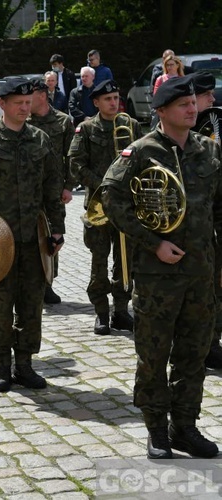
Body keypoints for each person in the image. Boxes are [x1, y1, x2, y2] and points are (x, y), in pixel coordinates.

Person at [101, 76, 222, 459]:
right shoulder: (140, 152)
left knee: (194, 353)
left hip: (201, 273)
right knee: (153, 353)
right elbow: (111, 199)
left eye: (193, 103)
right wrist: (154, 243)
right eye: (183, 104)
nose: (193, 108)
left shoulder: (209, 151)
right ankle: (156, 429)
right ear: (162, 111)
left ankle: (185, 426)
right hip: (157, 276)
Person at [0, 78, 65, 392]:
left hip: (33, 238)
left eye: (27, 102)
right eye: (18, 103)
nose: (24, 108)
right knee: (1, 306)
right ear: (1, 104)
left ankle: (25, 365)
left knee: (32, 305)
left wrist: (57, 229)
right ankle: (2, 366)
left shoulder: (41, 140)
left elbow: (52, 189)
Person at [68, 79, 143, 335]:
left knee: (125, 260)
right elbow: (76, 165)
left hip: (126, 207)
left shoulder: (131, 125)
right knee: (98, 260)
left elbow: (145, 158)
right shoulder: (86, 129)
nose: (113, 102)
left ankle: (121, 311)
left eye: (115, 98)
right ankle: (101, 312)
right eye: (107, 99)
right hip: (98, 206)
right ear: (96, 102)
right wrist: (104, 186)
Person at [27, 77, 75, 305]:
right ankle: (31, 283)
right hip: (27, 188)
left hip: (54, 189)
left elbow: (71, 157)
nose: (26, 101)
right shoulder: (23, 121)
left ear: (43, 96)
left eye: (31, 96)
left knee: (52, 234)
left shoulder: (64, 121)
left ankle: (48, 283)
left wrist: (68, 186)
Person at [190, 71, 222, 369]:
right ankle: (204, 343)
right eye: (206, 95)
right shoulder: (178, 132)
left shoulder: (216, 121)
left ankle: (214, 340)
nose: (213, 98)